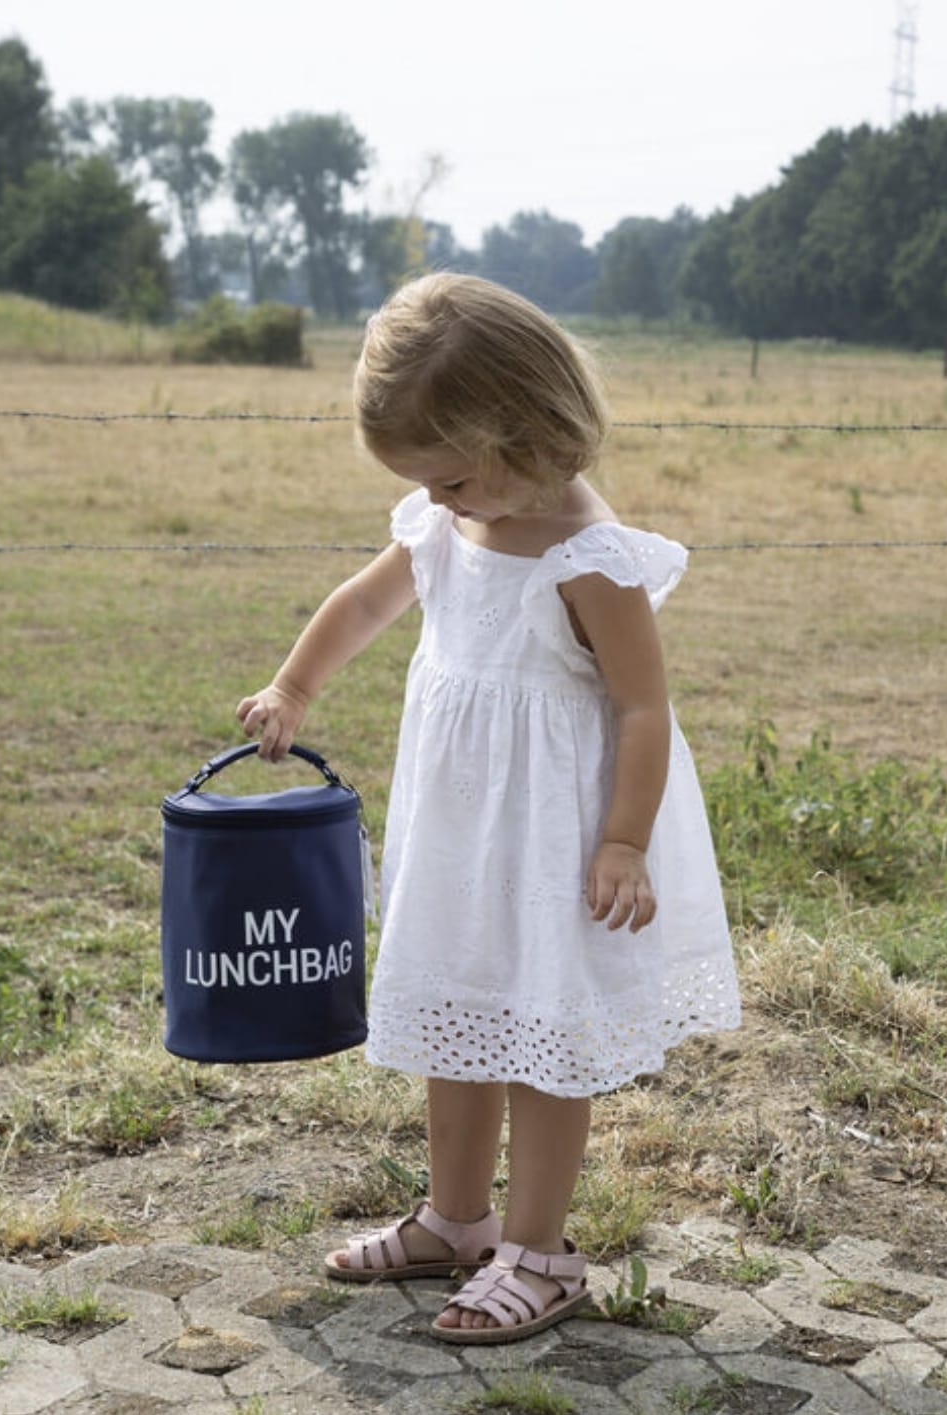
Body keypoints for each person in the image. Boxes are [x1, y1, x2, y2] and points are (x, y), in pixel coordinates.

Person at [236, 273, 740, 1345]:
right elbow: (366, 598)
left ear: (525, 427)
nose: (440, 500)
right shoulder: (448, 518)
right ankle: (453, 1219)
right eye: (426, 483)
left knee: (539, 1030)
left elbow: (643, 707)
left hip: (559, 837)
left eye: (452, 476)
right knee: (457, 1011)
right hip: (462, 827)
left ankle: (541, 1250)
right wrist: (293, 685)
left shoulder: (585, 555)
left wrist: (622, 838)